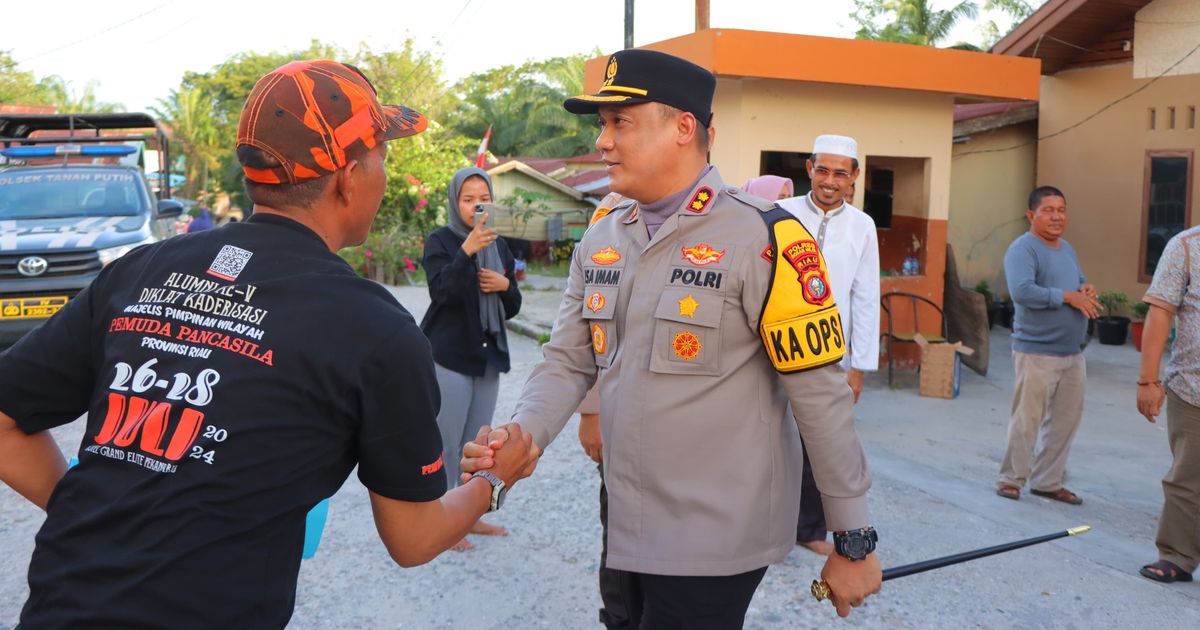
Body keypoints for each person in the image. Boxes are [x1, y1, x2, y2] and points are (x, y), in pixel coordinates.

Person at [0, 59, 537, 628]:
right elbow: (414, 536)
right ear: (349, 177)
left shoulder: (143, 268)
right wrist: (492, 480)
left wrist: (98, 520)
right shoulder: (374, 328)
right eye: (383, 155)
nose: (383, 171)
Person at [465, 48, 881, 625]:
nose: (604, 142)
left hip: (715, 534)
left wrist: (852, 538)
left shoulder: (769, 238)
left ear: (685, 128)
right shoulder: (604, 234)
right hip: (625, 516)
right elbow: (567, 360)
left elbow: (822, 398)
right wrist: (523, 431)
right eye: (603, 126)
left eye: (620, 123)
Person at [776, 136, 880, 556]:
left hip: (828, 356)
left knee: (822, 444)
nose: (830, 181)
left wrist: (859, 367)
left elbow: (866, 296)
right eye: (823, 170)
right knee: (766, 439)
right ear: (809, 169)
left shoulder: (862, 226)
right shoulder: (780, 214)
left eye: (841, 173)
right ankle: (762, 527)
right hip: (775, 347)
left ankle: (808, 528)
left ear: (854, 177)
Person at [421, 166, 522, 551]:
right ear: (455, 203)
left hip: (487, 357)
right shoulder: (442, 240)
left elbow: (510, 307)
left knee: (477, 446)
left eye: (484, 197)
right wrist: (467, 251)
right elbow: (441, 292)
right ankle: (442, 525)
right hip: (449, 355)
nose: (477, 205)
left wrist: (505, 286)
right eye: (468, 199)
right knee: (447, 445)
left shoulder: (499, 245)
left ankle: (467, 519)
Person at [996, 185, 1098, 504]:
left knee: (1065, 422)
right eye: (1049, 210)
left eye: (1061, 210)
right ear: (1032, 215)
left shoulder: (1066, 248)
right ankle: (1010, 479)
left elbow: (1076, 281)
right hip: (1036, 351)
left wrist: (1085, 288)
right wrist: (1068, 296)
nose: (1057, 217)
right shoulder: (1022, 249)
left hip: (1072, 352)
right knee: (1027, 419)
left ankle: (1048, 481)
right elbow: (1023, 292)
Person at [1135, 227, 1200, 583]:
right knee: (1187, 480)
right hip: (1194, 390)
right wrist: (1148, 380)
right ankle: (1177, 556)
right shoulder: (1186, 247)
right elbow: (1160, 312)